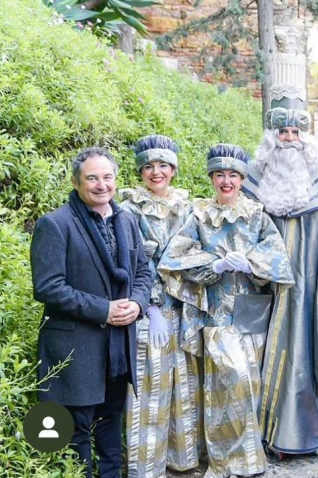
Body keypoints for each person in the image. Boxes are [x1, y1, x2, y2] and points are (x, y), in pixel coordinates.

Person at [159, 144, 294, 478]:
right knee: (227, 382)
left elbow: (280, 259)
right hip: (216, 317)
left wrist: (251, 263)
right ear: (212, 178)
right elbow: (173, 259)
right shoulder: (199, 215)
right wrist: (213, 264)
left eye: (233, 174)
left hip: (251, 316)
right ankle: (223, 462)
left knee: (249, 385)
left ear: (242, 179)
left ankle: (247, 459)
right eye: (220, 174)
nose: (226, 180)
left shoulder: (257, 215)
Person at [243, 84, 318, 455]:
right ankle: (254, 427)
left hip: (307, 294)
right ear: (271, 136)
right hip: (262, 291)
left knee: (305, 352)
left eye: (295, 133)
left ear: (305, 137)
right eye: (282, 132)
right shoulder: (249, 183)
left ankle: (301, 426)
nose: (289, 140)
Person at [31, 147, 152, 478]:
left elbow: (144, 271)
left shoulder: (126, 220)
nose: (101, 185)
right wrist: (105, 310)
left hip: (117, 349)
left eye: (108, 177)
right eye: (92, 178)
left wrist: (138, 304)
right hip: (75, 349)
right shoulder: (54, 224)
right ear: (75, 181)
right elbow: (48, 288)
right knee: (77, 433)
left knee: (111, 427)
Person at [120, 135, 199, 476]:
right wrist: (150, 305)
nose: (156, 172)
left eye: (163, 166)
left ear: (173, 170)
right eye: (149, 166)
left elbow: (197, 249)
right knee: (149, 386)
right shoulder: (128, 209)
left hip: (184, 308)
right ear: (141, 171)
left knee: (183, 383)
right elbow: (130, 259)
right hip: (149, 310)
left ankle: (180, 459)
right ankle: (145, 467)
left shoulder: (189, 206)